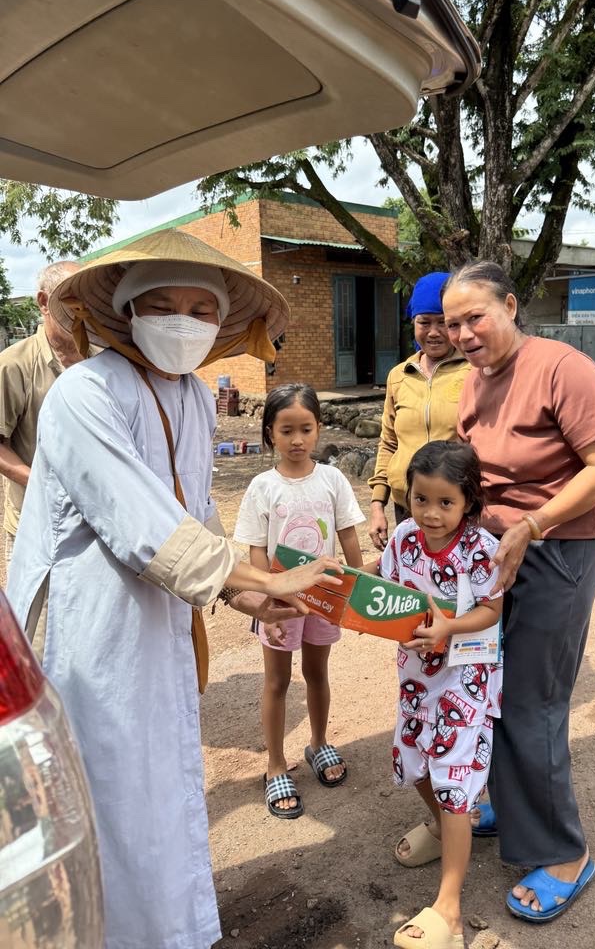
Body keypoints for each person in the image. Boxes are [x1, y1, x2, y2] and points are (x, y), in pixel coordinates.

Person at [7, 228, 344, 949]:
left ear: (220, 324)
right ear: (127, 312)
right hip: (96, 629)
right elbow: (143, 525)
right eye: (163, 305)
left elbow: (193, 513)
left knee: (163, 779)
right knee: (114, 791)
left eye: (201, 309)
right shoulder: (83, 393)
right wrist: (259, 576)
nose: (183, 322)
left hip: (162, 618)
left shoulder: (194, 396)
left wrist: (243, 594)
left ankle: (176, 930)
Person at [441, 260, 595, 924]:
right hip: (499, 550)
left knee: (533, 700)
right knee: (488, 684)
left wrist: (533, 524)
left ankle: (564, 853)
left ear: (511, 306)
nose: (463, 333)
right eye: (452, 324)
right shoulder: (474, 379)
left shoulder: (561, 368)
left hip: (560, 548)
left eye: (475, 317)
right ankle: (508, 801)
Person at [372, 440, 503, 949]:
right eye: (421, 499)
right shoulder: (403, 537)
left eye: (445, 502)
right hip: (415, 678)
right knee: (414, 762)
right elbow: (388, 591)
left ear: (468, 501)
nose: (430, 513)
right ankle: (446, 824)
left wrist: (450, 627)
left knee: (454, 779)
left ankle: (450, 909)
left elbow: (492, 610)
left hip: (464, 683)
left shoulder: (480, 548)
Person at [234, 382, 364, 819]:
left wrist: (358, 591)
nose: (297, 440)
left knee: (317, 672)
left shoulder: (332, 479)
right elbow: (256, 550)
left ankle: (318, 743)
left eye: (305, 429)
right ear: (270, 432)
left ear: (318, 429)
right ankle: (275, 764)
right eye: (286, 430)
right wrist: (264, 604)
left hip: (324, 598)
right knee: (277, 681)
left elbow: (348, 535)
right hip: (281, 602)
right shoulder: (262, 487)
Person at [368, 271, 470, 551]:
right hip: (406, 505)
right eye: (424, 322)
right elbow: (389, 442)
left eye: (443, 322)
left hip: (453, 508)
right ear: (413, 322)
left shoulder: (474, 372)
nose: (434, 332)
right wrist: (378, 504)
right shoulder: (398, 375)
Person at [0, 261, 84, 569]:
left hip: (92, 528)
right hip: (34, 527)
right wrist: (44, 483)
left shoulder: (103, 361)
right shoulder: (13, 365)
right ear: (44, 302)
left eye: (84, 302)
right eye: (70, 301)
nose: (80, 312)